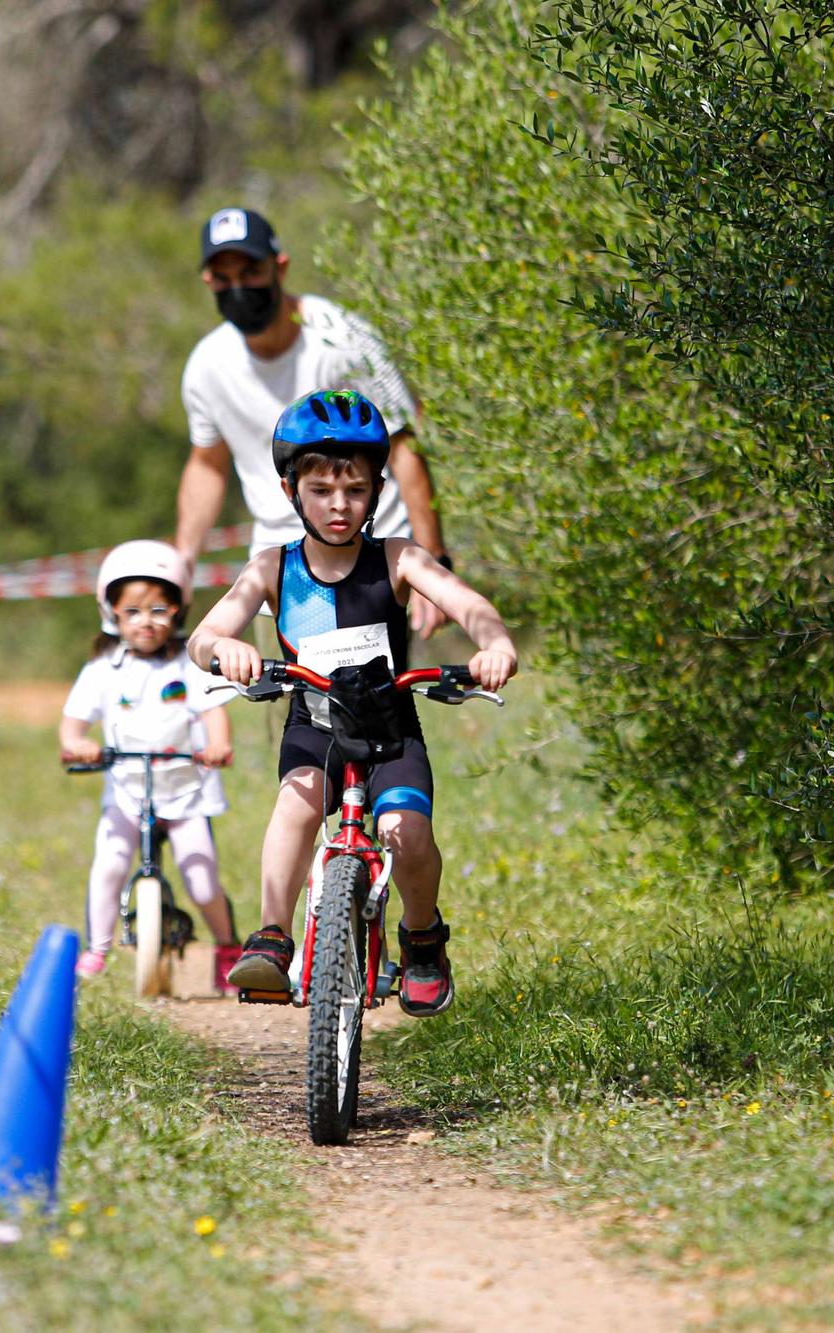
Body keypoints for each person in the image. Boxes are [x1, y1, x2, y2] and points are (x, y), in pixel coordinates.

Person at [187, 390, 518, 1016]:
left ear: (376, 492)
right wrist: (223, 650)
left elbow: (468, 603)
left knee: (406, 832)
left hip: (391, 727)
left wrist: (493, 644)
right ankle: (272, 938)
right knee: (296, 806)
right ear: (291, 491)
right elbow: (206, 633)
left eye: (356, 491)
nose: (339, 506)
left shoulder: (397, 558)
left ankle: (422, 940)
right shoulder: (272, 569)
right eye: (320, 490)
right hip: (313, 722)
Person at [176, 206, 453, 637]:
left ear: (279, 267)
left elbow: (403, 446)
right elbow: (207, 465)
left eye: (250, 271)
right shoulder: (207, 367)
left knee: (378, 701)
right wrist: (183, 562)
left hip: (373, 559)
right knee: (290, 702)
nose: (238, 287)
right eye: (223, 277)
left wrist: (432, 557)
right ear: (207, 281)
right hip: (279, 569)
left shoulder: (340, 338)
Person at [61, 540, 241, 982]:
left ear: (178, 610)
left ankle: (227, 947)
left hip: (185, 790)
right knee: (110, 863)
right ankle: (98, 948)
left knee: (201, 876)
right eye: (133, 612)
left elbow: (212, 712)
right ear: (112, 614)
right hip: (126, 790)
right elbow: (73, 721)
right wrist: (76, 742)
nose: (147, 622)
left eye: (159, 609)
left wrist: (217, 745)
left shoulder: (188, 664)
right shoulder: (104, 668)